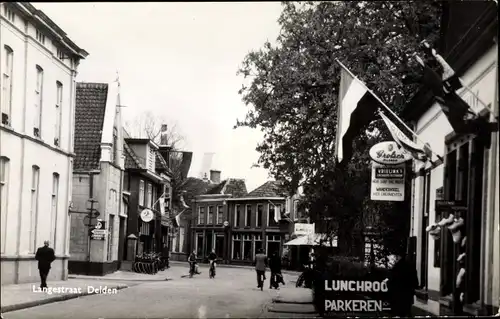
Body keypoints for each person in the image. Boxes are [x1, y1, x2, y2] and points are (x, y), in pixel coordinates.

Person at [386, 249, 419, 317]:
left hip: (398, 295)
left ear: (397, 257)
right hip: (408, 294)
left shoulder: (396, 267)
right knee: (407, 311)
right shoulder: (411, 265)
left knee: (398, 313)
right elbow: (415, 282)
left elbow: (391, 281)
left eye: (394, 257)